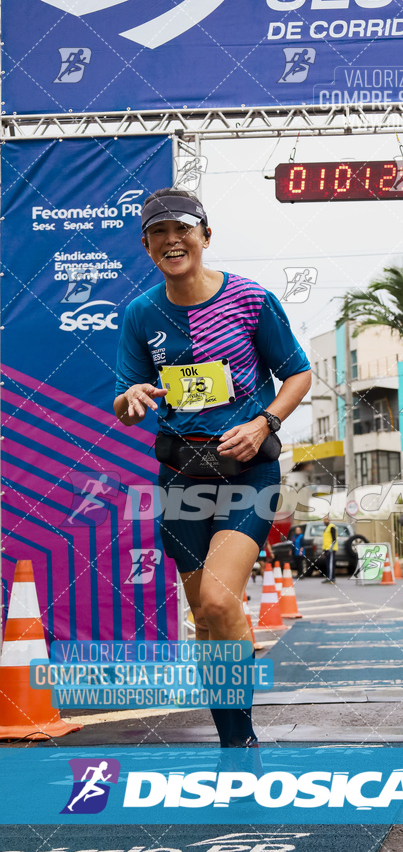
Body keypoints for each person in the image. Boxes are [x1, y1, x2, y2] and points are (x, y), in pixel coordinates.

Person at [113, 188, 312, 746]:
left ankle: (239, 735)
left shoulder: (250, 299)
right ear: (148, 245)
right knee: (205, 614)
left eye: (182, 230)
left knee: (220, 600)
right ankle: (233, 739)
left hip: (247, 473)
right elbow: (126, 403)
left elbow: (298, 374)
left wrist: (264, 424)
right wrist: (129, 403)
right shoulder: (141, 314)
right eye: (159, 233)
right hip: (180, 477)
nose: (172, 241)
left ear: (204, 235)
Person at [320, 515, 338, 584]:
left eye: (326, 519)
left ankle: (331, 578)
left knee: (330, 564)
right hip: (326, 549)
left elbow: (334, 539)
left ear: (329, 520)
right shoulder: (326, 528)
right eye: (324, 519)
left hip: (331, 549)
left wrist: (331, 548)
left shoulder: (331, 527)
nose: (325, 521)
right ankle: (329, 577)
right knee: (328, 564)